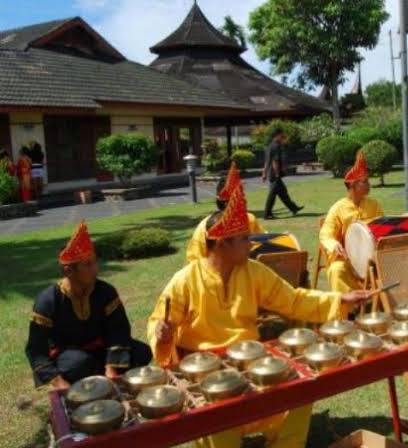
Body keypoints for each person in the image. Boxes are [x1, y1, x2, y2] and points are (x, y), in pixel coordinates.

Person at [148, 170, 370, 448]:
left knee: (302, 392)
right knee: (218, 414)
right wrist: (163, 334)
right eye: (243, 238)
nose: (252, 242)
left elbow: (294, 300)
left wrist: (341, 300)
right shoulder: (185, 280)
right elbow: (160, 323)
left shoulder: (253, 271)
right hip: (206, 372)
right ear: (221, 244)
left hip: (252, 361)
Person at [26, 221, 152, 389]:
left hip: (101, 348)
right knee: (79, 364)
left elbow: (119, 331)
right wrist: (58, 382)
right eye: (88, 264)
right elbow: (36, 350)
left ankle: (100, 376)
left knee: (141, 351)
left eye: (94, 262)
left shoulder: (106, 291)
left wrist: (111, 368)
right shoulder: (47, 301)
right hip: (69, 356)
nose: (96, 268)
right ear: (68, 271)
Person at [319, 151, 384, 293]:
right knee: (336, 271)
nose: (369, 185)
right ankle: (345, 309)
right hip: (347, 259)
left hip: (373, 258)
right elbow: (326, 234)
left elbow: (382, 228)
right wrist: (334, 244)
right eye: (365, 182)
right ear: (353, 185)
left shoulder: (375, 205)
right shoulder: (338, 209)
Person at [186, 161, 265, 263]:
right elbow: (194, 262)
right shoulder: (204, 227)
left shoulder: (250, 219)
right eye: (238, 198)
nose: (244, 201)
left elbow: (262, 245)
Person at [262, 127, 303, 219]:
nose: (283, 138)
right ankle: (267, 214)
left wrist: (264, 173)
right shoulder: (276, 146)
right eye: (282, 136)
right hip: (274, 174)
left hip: (271, 173)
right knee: (272, 194)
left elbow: (266, 161)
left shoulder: (270, 146)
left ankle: (293, 208)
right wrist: (277, 174)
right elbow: (274, 161)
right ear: (277, 136)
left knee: (283, 192)